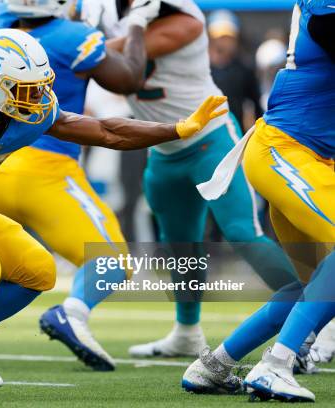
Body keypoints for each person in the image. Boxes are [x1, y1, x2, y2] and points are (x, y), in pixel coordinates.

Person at [0, 27, 227, 402]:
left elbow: (106, 131)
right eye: (26, 88)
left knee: (38, 269)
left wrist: (176, 129)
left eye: (41, 85)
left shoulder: (32, 112)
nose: (39, 96)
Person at [93, 0, 299, 358]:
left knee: (242, 233)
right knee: (180, 247)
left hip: (210, 141)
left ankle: (308, 324)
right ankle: (187, 331)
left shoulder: (185, 18)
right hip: (163, 149)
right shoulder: (108, 11)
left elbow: (103, 56)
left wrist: (75, 47)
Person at [183, 0, 334, 402]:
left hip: (307, 158)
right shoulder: (324, 15)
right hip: (287, 150)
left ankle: (214, 365)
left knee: (316, 282)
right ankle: (277, 364)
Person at [207, 9, 263, 131]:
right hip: (206, 134)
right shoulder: (201, 68)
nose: (225, 42)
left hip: (236, 133)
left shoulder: (244, 69)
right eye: (221, 36)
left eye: (229, 37)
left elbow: (256, 106)